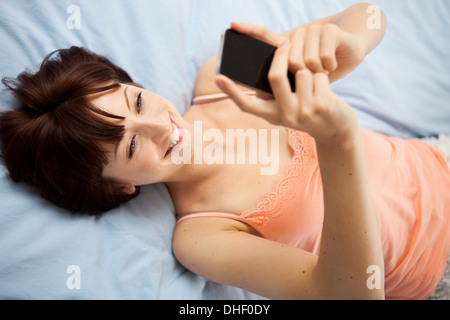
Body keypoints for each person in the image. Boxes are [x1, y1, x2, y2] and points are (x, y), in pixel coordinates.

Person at [1, 3, 449, 300]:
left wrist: (350, 44)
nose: (160, 124)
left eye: (137, 101)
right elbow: (349, 294)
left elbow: (370, 15)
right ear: (119, 188)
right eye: (132, 143)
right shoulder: (201, 238)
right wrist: (338, 143)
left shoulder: (222, 78)